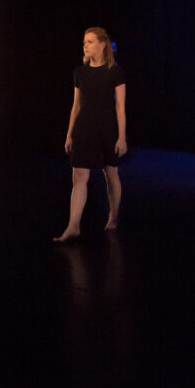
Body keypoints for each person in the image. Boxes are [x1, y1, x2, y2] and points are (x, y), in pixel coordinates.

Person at [55, 27, 127, 242]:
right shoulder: (80, 72)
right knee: (78, 176)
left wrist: (122, 137)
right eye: (84, 42)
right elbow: (76, 106)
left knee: (111, 175)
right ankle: (73, 225)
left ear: (102, 45)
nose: (85, 45)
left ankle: (113, 217)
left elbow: (120, 106)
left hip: (106, 128)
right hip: (84, 128)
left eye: (90, 42)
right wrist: (69, 134)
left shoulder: (114, 71)